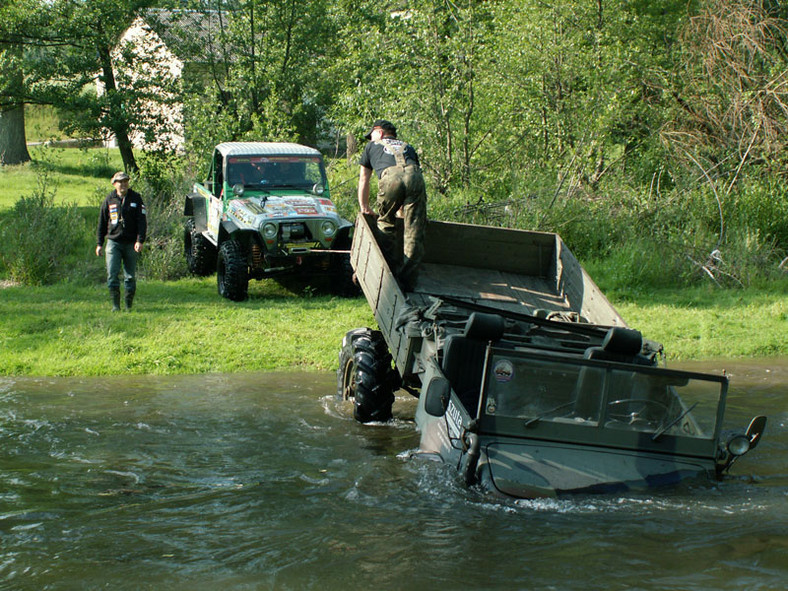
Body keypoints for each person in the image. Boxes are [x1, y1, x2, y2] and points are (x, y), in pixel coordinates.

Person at [358, 119, 427, 291]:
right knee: (413, 230)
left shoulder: (372, 147)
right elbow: (409, 177)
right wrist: (402, 212)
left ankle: (387, 275)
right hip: (415, 176)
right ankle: (407, 281)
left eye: (371, 134)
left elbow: (364, 179)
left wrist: (364, 206)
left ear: (379, 132)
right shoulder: (408, 147)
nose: (370, 138)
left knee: (385, 224)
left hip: (390, 179)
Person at [96, 171, 147, 311]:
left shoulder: (136, 198)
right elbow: (102, 222)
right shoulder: (109, 199)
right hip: (114, 243)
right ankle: (115, 306)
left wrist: (140, 240)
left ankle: (128, 306)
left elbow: (142, 221)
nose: (123, 184)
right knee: (112, 275)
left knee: (130, 276)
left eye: (125, 181)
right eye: (120, 182)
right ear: (114, 184)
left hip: (131, 243)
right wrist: (99, 244)